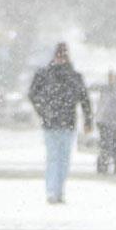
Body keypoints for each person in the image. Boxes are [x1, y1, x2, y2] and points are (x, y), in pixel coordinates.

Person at [28, 44, 92, 203]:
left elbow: (84, 99)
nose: (61, 59)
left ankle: (57, 190)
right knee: (56, 158)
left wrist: (42, 109)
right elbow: (84, 99)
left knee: (60, 159)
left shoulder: (48, 75)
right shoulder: (71, 76)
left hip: (60, 123)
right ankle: (53, 191)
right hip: (57, 123)